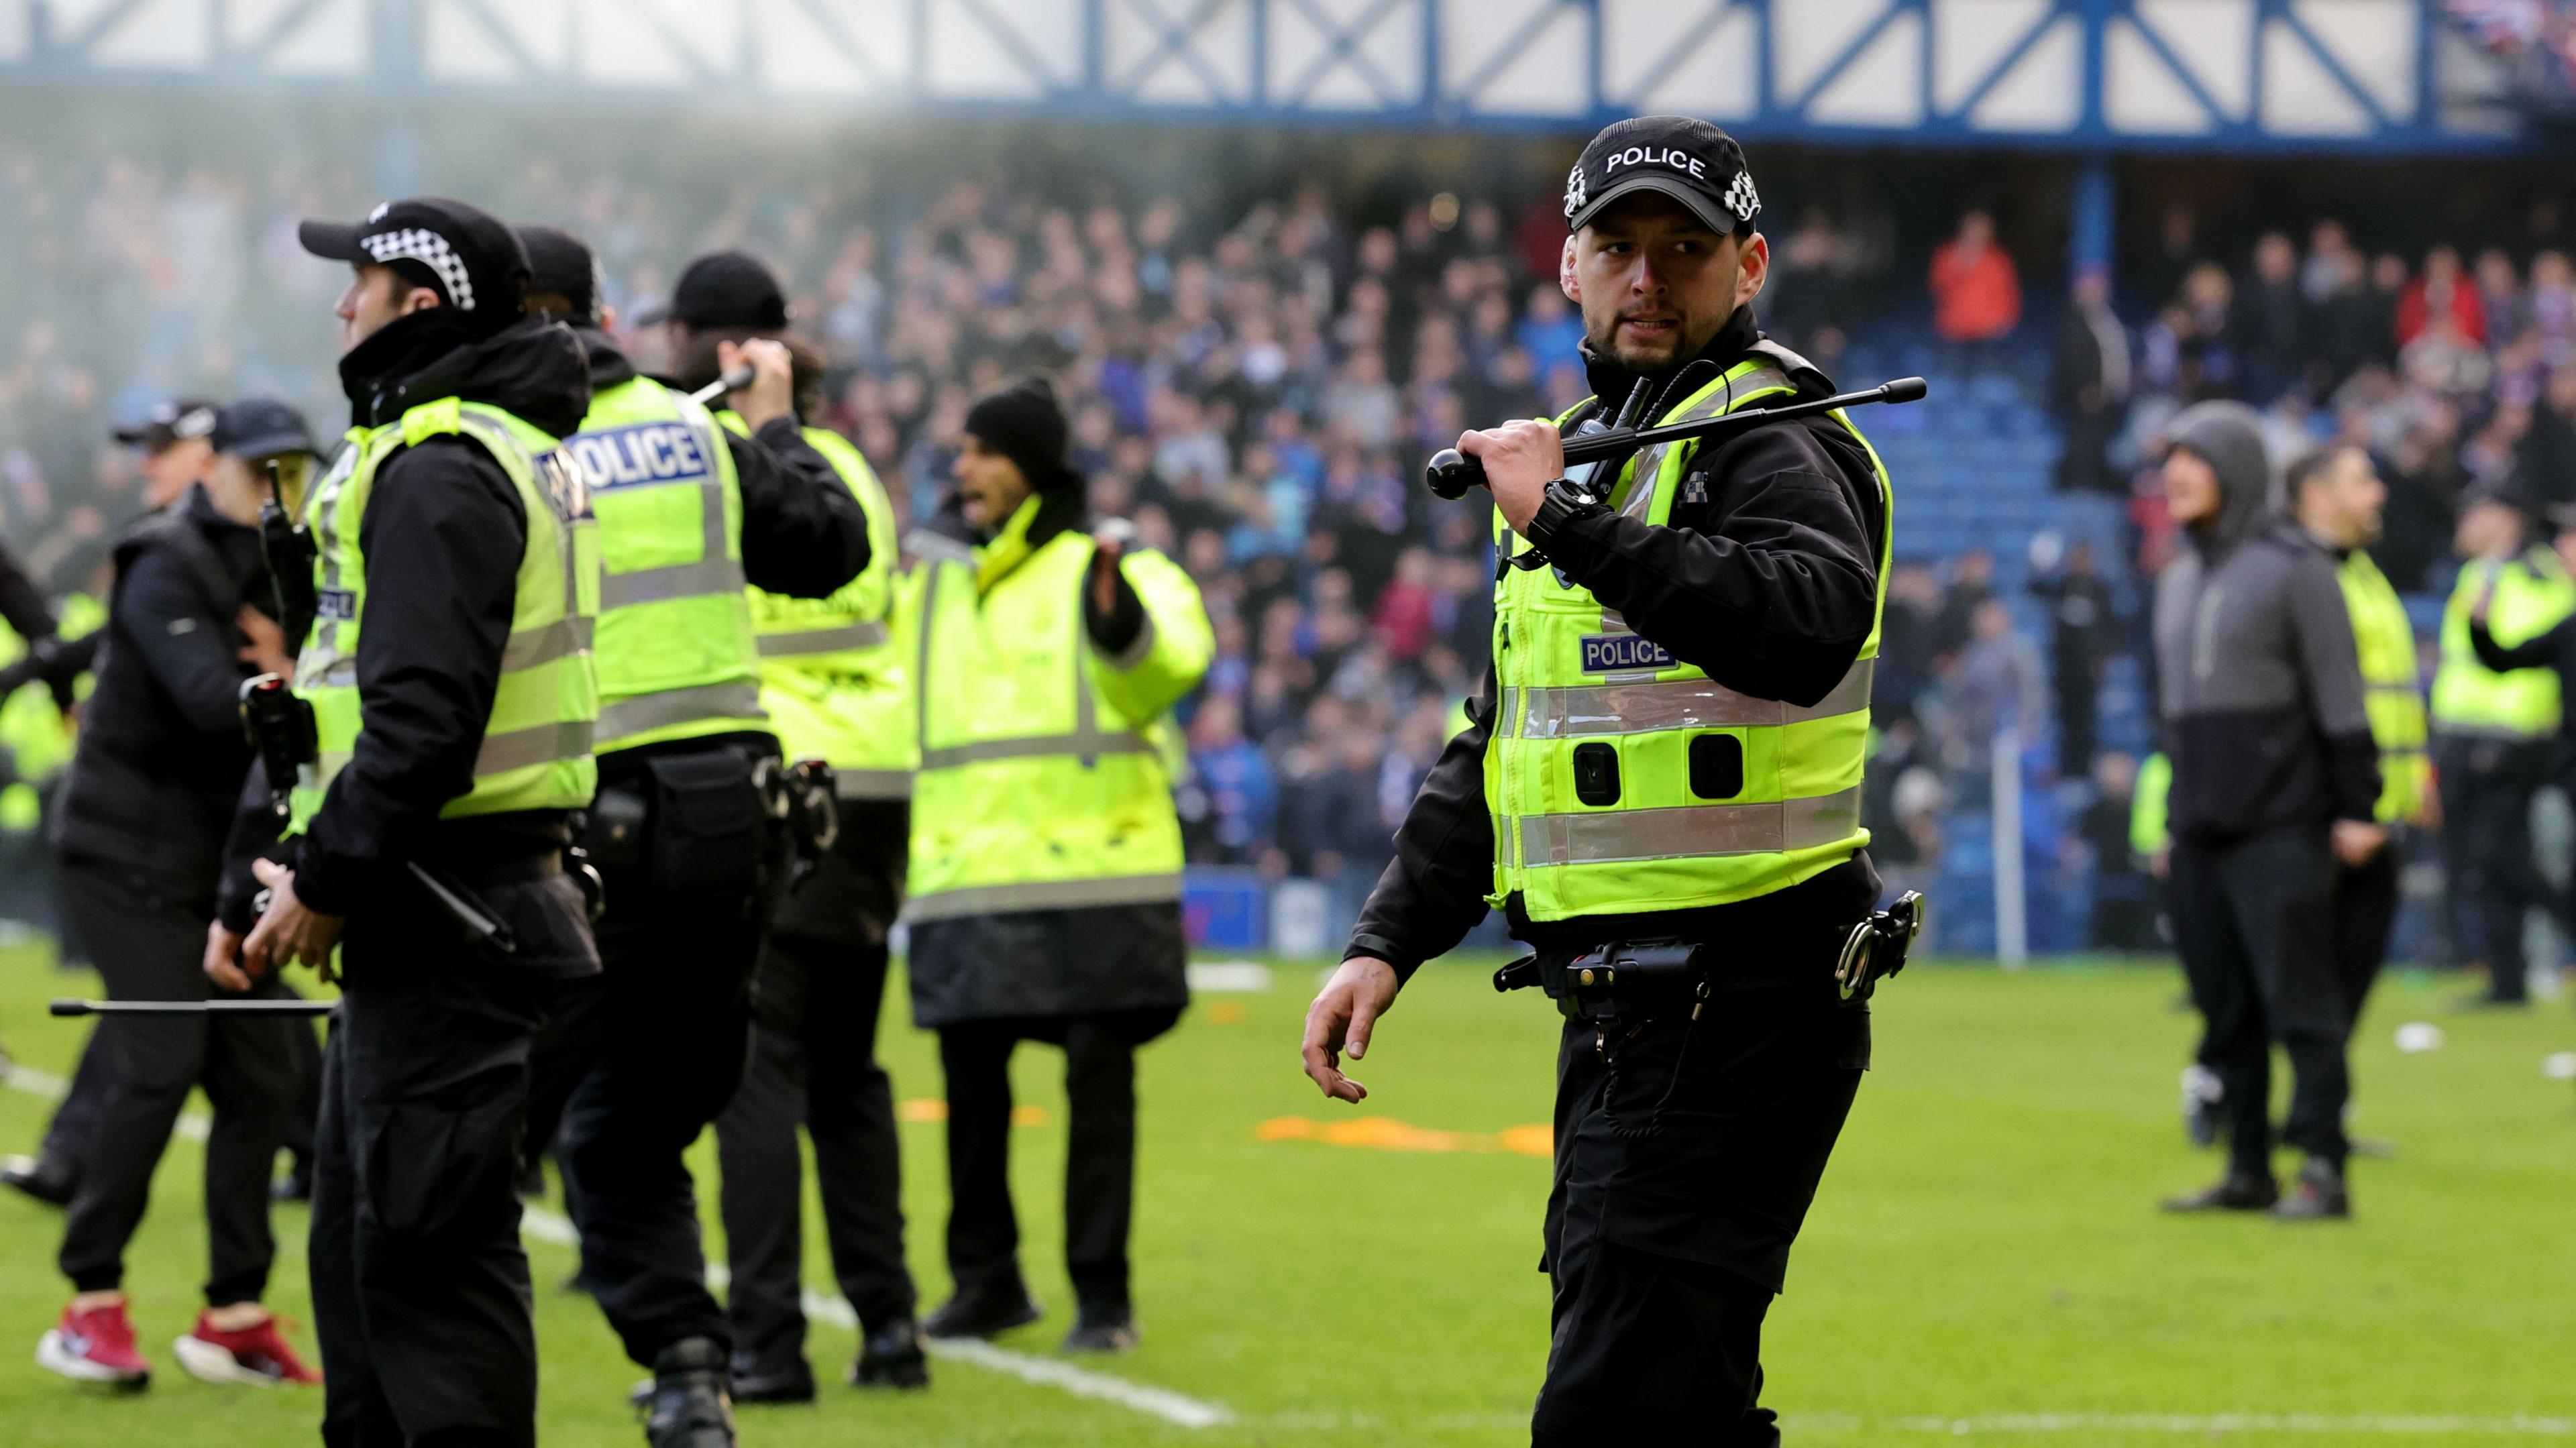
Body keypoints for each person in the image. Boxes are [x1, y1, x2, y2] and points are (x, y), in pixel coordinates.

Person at [1303, 116, 1892, 1445]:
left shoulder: (1772, 437)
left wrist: (1566, 519)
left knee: (1612, 1410)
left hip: (1738, 995)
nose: (1648, 276)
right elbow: (1506, 740)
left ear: (1748, 268)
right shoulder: (1586, 444)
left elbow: (1800, 624)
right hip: (1638, 1009)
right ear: (1567, 266)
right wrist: (1387, 939)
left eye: (1685, 250)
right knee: (1664, 1396)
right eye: (1616, 246)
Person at [210, 197, 604, 1448]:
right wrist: (283, 870)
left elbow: (424, 721)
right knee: (363, 1246)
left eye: (361, 281)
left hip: (450, 905)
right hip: (436, 898)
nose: (341, 303)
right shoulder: (449, 446)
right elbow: (346, 704)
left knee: (431, 1267)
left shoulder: (440, 464)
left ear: (418, 304)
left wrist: (324, 877)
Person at [513, 229, 869, 1447]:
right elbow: (831, 546)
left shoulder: (505, 448)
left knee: (481, 1129)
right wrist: (774, 424)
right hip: (732, 827)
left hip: (571, 839)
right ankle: (686, 1370)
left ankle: (448, 1398)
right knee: (632, 1118)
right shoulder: (697, 431)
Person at [658, 251, 929, 1400]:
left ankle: (766, 1343)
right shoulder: (856, 469)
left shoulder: (723, 459)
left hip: (780, 780)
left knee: (755, 1072)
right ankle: (891, 1327)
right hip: (875, 788)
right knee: (847, 1075)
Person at [907, 376, 1212, 1354]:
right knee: (970, 1088)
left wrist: (1116, 617)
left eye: (983, 450)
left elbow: (1173, 660)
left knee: (1097, 1087)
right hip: (966, 873)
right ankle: (986, 1281)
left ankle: (1101, 1296)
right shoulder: (934, 579)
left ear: (1031, 464)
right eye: (960, 452)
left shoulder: (1109, 560)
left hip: (1095, 872)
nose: (964, 469)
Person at [31, 400, 323, 1389]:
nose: (279, 484)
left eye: (296, 466)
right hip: (122, 852)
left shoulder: (303, 564)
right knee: (159, 1061)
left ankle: (233, 1314)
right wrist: (290, 680)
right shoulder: (164, 558)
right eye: (263, 466)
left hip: (217, 864)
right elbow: (212, 697)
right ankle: (88, 1303)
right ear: (220, 470)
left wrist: (292, 672)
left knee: (266, 1073)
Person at [2152, 402, 2381, 1222]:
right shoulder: (2176, 577)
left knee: (2302, 1005)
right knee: (2227, 1008)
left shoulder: (2298, 567)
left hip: (2284, 826)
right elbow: (2173, 721)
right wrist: (2171, 825)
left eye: (2193, 459)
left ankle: (2324, 1165)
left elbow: (2342, 700)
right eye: (2170, 459)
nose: (2174, 474)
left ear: (2238, 469)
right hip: (2200, 830)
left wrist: (2359, 807)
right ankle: (2249, 1167)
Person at [2, 402, 222, 1209]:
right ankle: (71, 1159)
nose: (147, 466)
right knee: (170, 994)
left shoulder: (219, 545)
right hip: (161, 815)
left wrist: (40, 671)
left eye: (165, 450)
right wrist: (47, 672)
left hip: (202, 812)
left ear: (214, 456)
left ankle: (85, 1206)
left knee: (190, 1006)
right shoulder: (164, 541)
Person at [2290, 445, 2432, 1054]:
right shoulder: (2302, 576)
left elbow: (2390, 694)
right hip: (2329, 812)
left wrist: (2418, 778)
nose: (2379, 493)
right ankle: (2230, 1086)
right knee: (2307, 975)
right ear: (2318, 497)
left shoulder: (2364, 574)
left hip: (2377, 809)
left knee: (2351, 970)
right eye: (2362, 481)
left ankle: (2319, 1111)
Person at [2432, 484, 2573, 1007]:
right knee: (2485, 862)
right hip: (2461, 732)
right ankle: (2505, 978)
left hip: (2509, 739)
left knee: (2505, 859)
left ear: (2507, 518)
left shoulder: (2540, 574)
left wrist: (2513, 732)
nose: (2465, 522)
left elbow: (2536, 655)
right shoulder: (2477, 574)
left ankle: (2527, 960)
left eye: (2477, 512)